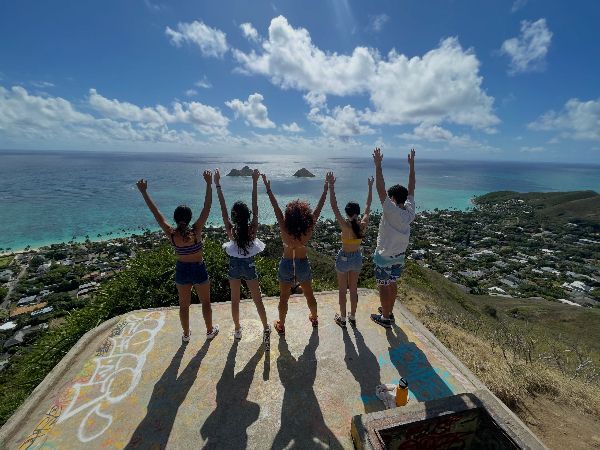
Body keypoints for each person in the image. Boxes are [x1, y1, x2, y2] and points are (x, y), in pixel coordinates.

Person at [136, 171, 219, 341]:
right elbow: (207, 206)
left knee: (184, 306)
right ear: (189, 219)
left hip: (181, 270)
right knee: (205, 303)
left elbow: (156, 213)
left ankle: (186, 334)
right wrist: (208, 183)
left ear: (175, 218)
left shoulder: (171, 234)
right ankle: (209, 331)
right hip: (198, 268)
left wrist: (144, 192)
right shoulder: (196, 231)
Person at [262, 173, 328, 336]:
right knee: (309, 294)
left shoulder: (284, 229)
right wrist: (326, 190)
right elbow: (318, 210)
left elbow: (276, 208)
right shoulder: (307, 230)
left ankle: (282, 325)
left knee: (284, 298)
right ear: (305, 216)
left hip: (286, 263)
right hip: (302, 263)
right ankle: (314, 318)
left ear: (289, 215)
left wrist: (269, 189)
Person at [214, 168, 271, 348]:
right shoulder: (252, 229)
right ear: (248, 217)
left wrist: (217, 185)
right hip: (249, 266)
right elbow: (255, 206)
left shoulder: (232, 231)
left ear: (233, 217)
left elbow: (223, 210)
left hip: (234, 267)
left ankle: (238, 329)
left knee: (235, 299)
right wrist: (255, 182)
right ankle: (265, 327)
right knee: (257, 298)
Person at [370, 148, 416, 328]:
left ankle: (386, 318)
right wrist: (411, 166)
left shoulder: (391, 210)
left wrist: (378, 165)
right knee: (392, 283)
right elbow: (411, 187)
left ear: (394, 198)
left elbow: (380, 188)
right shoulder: (410, 211)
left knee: (383, 285)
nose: (387, 199)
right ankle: (389, 310)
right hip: (399, 256)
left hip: (385, 255)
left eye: (390, 197)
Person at [326, 171, 373, 328]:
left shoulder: (345, 225)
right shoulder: (363, 225)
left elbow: (333, 206)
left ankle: (343, 319)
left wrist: (331, 185)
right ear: (357, 213)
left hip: (344, 258)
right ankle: (353, 316)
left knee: (342, 290)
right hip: (357, 258)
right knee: (354, 289)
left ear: (347, 213)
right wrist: (370, 187)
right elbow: (367, 207)